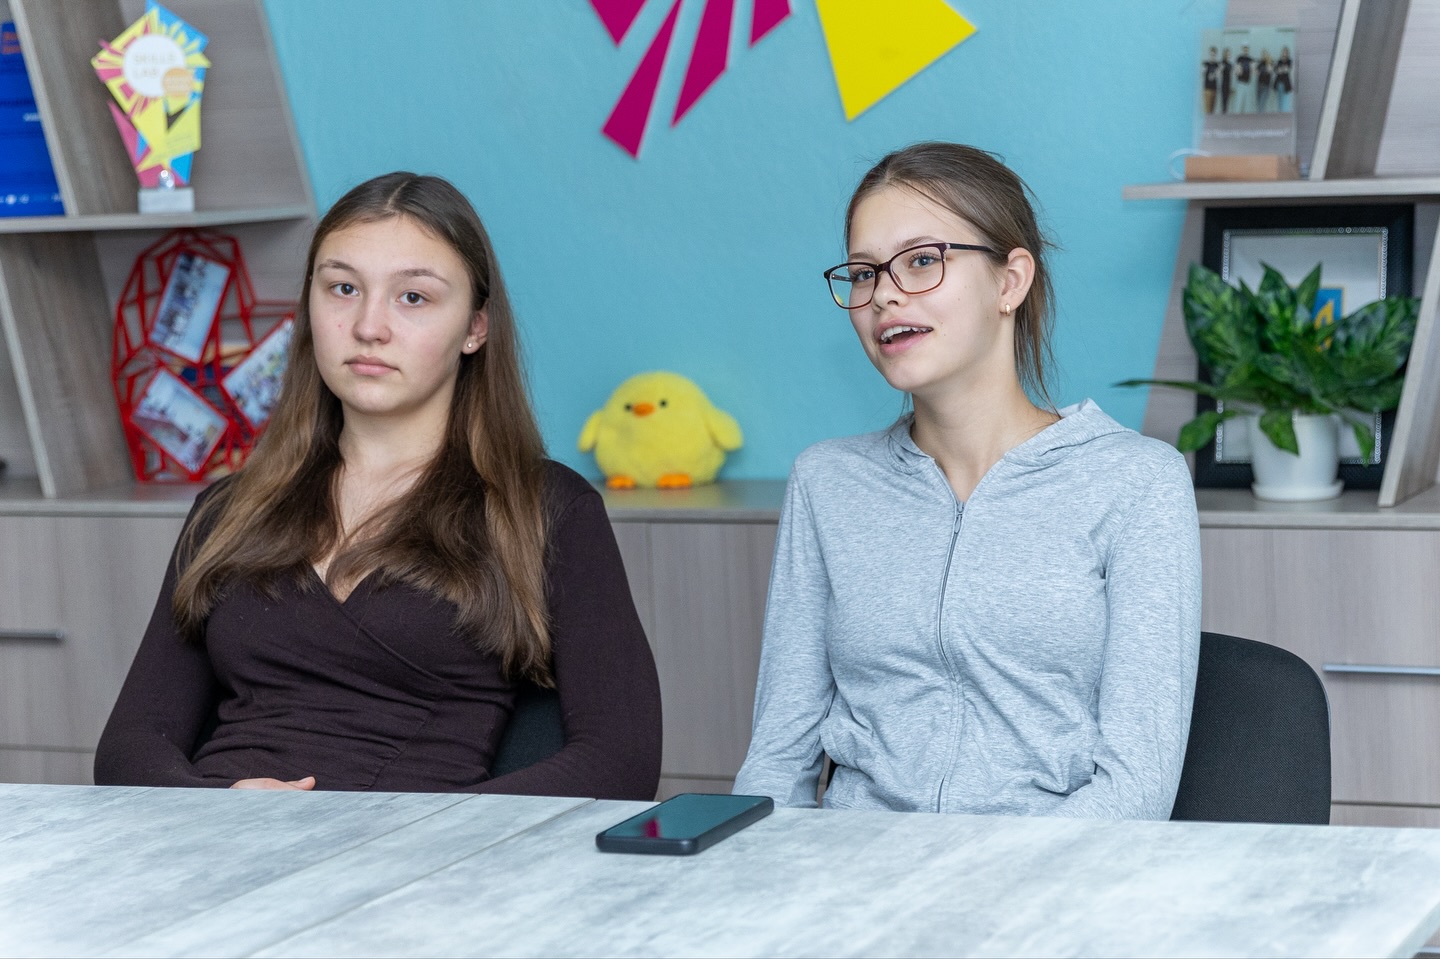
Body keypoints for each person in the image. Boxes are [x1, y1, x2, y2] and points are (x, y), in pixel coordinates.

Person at [95, 173, 662, 798]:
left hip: (421, 846)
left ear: (475, 328)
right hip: (215, 836)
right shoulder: (227, 510)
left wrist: (402, 828)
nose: (369, 326)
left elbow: (620, 761)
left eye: (412, 297)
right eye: (343, 288)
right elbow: (130, 746)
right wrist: (220, 808)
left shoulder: (546, 509)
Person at [732, 142, 1201, 819]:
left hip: (1049, 871)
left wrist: (991, 877)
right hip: (853, 868)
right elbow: (777, 760)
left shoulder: (1135, 482)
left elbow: (1137, 787)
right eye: (863, 273)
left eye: (922, 260)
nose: (883, 293)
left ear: (1010, 282)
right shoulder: (827, 483)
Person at [1273, 46, 1294, 112]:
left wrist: (1281, 69)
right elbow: (1276, 70)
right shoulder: (1279, 61)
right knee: (1279, 100)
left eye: (1286, 52)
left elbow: (1287, 70)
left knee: (1286, 101)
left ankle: (1285, 113)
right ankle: (1280, 113)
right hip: (1279, 83)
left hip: (1286, 84)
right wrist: (1281, 70)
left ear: (1287, 53)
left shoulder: (1289, 61)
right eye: (1283, 52)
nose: (1284, 54)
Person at [1201, 46, 1220, 114]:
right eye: (1211, 55)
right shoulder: (1206, 64)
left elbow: (1218, 76)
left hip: (1214, 88)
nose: (1213, 56)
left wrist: (1214, 75)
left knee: (1212, 109)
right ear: (1209, 54)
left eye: (1214, 55)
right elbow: (1202, 73)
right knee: (1208, 109)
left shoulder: (1217, 64)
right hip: (1207, 88)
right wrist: (1205, 71)